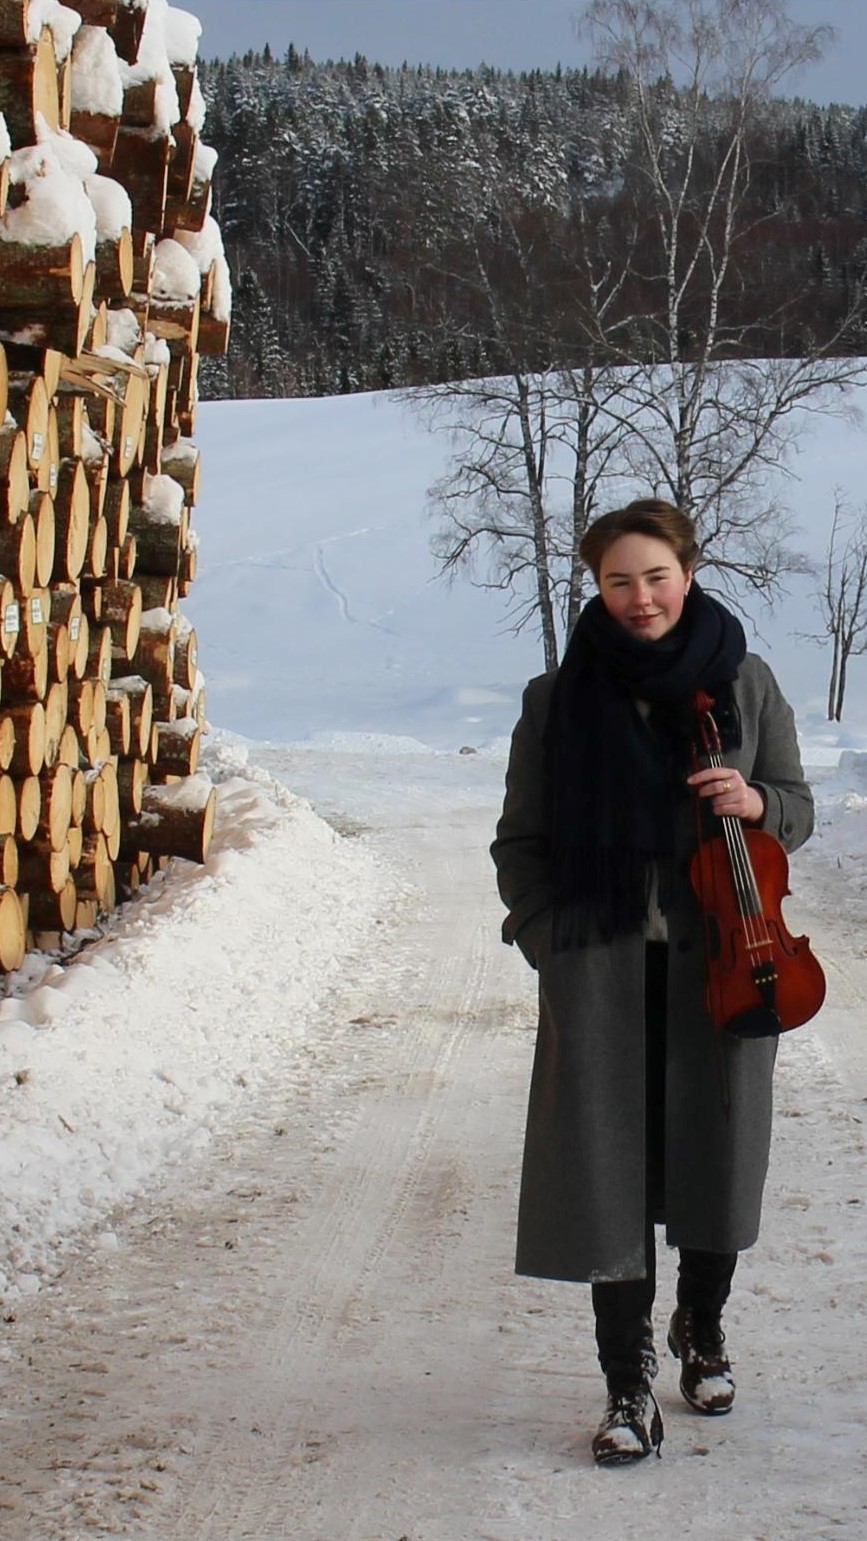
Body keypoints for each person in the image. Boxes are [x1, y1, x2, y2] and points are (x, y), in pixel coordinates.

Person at [491, 499, 814, 1465]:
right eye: (617, 580)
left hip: (725, 963)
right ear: (595, 586)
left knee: (714, 1164)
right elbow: (520, 843)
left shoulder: (744, 684)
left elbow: (795, 805)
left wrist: (755, 800)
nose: (639, 598)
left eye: (655, 575)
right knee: (607, 1177)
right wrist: (549, 937)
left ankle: (700, 1326)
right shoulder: (557, 700)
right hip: (601, 970)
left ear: (689, 569)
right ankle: (626, 1382)